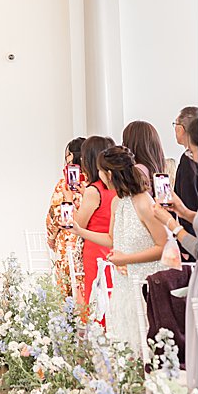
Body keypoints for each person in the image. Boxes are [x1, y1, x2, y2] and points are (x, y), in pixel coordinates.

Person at [75, 147, 171, 356]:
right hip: (123, 283)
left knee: (144, 341)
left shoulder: (144, 202)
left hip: (144, 282)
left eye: (100, 171)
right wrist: (81, 231)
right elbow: (111, 240)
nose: (99, 175)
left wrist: (126, 259)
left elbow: (163, 246)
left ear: (109, 174)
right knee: (123, 341)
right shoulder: (118, 202)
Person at [74, 134, 117, 316]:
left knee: (96, 295)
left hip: (95, 248)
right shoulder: (116, 186)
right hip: (114, 246)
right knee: (111, 294)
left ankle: (97, 334)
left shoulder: (94, 190)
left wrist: (71, 201)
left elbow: (79, 224)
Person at [45, 137, 86, 300]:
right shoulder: (93, 184)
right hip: (89, 240)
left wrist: (51, 238)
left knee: (66, 292)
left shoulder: (64, 185)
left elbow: (54, 215)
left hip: (67, 241)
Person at [175, 107, 198, 239]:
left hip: (192, 237)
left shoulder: (187, 160)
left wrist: (186, 247)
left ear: (181, 128)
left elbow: (188, 199)